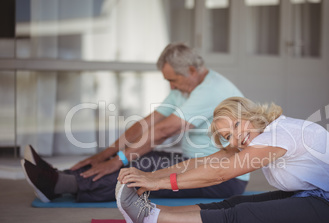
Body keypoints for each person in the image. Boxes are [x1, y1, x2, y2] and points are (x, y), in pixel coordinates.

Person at [21, 43, 249, 203]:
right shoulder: (186, 87)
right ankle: (63, 175)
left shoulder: (211, 90)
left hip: (226, 177)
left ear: (191, 71)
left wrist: (118, 159)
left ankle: (60, 185)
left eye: (173, 80)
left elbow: (162, 131)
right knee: (138, 157)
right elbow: (147, 123)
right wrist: (107, 153)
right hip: (196, 161)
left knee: (143, 168)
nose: (170, 86)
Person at [115, 96, 329, 223]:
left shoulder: (278, 135)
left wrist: (157, 184)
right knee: (234, 203)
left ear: (250, 116)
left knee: (241, 217)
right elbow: (204, 162)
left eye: (237, 125)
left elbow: (220, 174)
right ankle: (153, 210)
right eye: (228, 135)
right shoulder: (259, 133)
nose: (236, 138)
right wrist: (148, 176)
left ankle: (149, 218)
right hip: (314, 198)